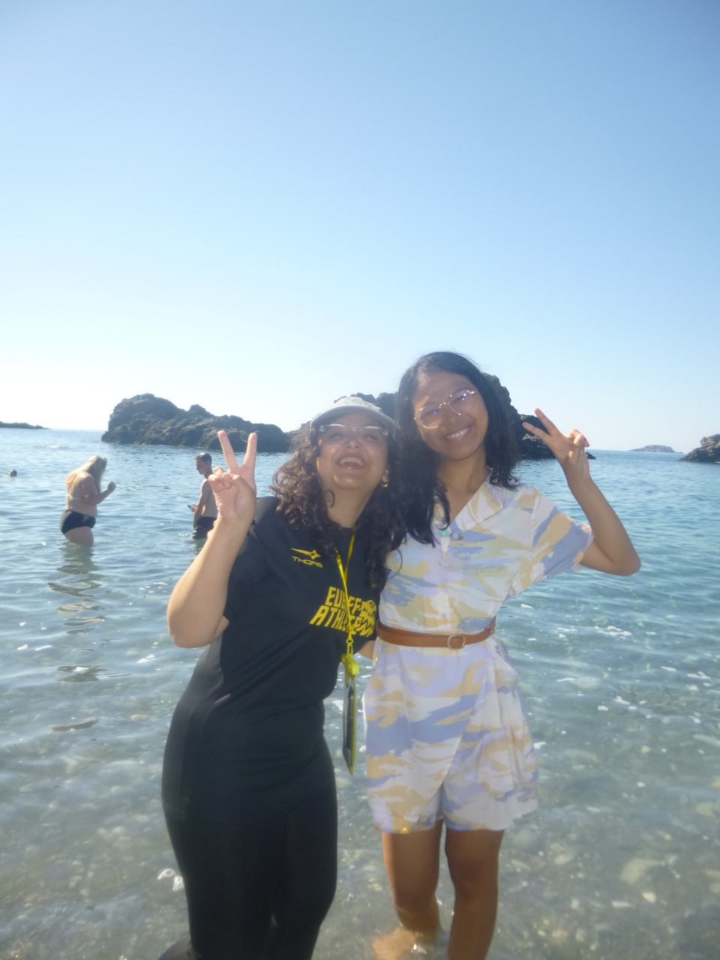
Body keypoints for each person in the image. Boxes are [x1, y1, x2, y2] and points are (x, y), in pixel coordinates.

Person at [363, 352, 641, 960]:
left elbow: (622, 561)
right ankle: (420, 935)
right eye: (430, 409)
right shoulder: (389, 498)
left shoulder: (523, 510)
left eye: (462, 396)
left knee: (474, 875)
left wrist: (579, 478)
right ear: (413, 425)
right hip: (401, 702)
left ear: (486, 400)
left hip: (483, 702)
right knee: (410, 890)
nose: (451, 416)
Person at [160, 397, 406, 960]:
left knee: (303, 913)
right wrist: (229, 528)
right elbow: (187, 630)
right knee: (228, 942)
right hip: (223, 757)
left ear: (389, 462)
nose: (353, 442)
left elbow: (362, 636)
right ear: (313, 453)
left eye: (371, 434)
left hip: (301, 755)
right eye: (336, 432)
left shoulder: (376, 548)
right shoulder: (269, 522)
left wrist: (467, 646)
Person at [60, 455, 116, 545]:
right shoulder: (87, 478)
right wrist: (109, 491)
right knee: (85, 552)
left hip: (73, 520)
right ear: (100, 469)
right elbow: (90, 500)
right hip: (78, 522)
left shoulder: (78, 475)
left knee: (78, 553)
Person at [190, 452, 218, 540]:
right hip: (216, 522)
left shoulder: (207, 482)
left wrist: (195, 525)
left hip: (205, 522)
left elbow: (200, 505)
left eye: (199, 466)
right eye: (196, 466)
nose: (197, 468)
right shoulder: (218, 479)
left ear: (208, 463)